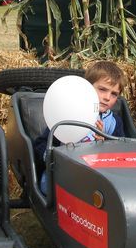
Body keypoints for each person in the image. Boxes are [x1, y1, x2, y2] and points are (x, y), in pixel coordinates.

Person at [33, 61, 128, 195]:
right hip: (63, 173)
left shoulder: (114, 122)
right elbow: (40, 144)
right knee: (48, 187)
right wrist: (55, 156)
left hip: (97, 178)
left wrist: (105, 144)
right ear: (87, 88)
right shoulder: (69, 113)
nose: (107, 97)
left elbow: (122, 152)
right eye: (102, 90)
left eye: (114, 94)